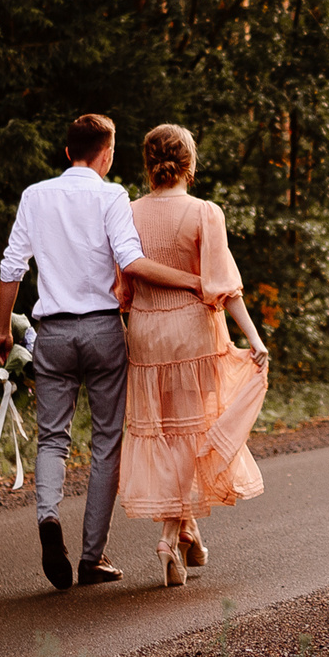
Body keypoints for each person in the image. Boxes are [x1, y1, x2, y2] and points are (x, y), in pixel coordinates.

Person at [0, 114, 210, 591]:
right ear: (107, 155)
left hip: (51, 333)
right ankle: (92, 558)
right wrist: (195, 282)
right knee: (107, 442)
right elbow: (132, 263)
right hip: (102, 331)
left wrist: (3, 333)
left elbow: (12, 266)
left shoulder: (35, 196)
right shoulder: (112, 195)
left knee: (52, 438)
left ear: (68, 152)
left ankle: (49, 518)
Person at [117, 123, 269, 587]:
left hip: (145, 334)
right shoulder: (205, 212)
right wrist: (255, 338)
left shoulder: (126, 212)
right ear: (190, 163)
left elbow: (122, 288)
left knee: (166, 435)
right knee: (191, 434)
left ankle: (190, 536)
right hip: (191, 335)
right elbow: (223, 287)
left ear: (148, 164)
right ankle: (168, 538)